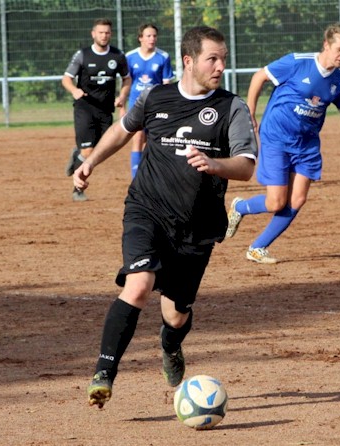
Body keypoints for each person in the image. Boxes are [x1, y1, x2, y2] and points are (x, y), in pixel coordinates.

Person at [73, 26, 257, 409]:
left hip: (198, 226)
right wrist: (90, 162)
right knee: (138, 285)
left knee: (175, 316)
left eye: (223, 59)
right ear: (189, 60)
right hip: (147, 209)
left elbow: (246, 166)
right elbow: (123, 130)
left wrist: (215, 164)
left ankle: (170, 345)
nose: (220, 67)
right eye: (212, 59)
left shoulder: (231, 107)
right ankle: (104, 373)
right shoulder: (156, 97)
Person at [224, 23, 340, 264]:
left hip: (307, 145)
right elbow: (259, 77)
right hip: (276, 137)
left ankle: (257, 248)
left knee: (297, 200)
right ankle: (240, 207)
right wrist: (250, 112)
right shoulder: (297, 62)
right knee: (276, 202)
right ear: (326, 45)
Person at [62, 18, 131, 201]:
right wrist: (74, 90)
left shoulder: (117, 56)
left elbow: (127, 79)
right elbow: (66, 79)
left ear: (111, 34)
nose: (104, 36)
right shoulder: (82, 55)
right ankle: (78, 190)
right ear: (93, 34)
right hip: (84, 107)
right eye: (100, 32)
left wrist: (122, 96)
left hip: (105, 110)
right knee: (88, 152)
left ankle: (77, 155)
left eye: (107, 32)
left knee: (97, 151)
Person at [123, 23, 174, 178]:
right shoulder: (130, 57)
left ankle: (154, 173)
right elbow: (126, 82)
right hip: (136, 103)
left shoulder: (163, 57)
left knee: (153, 140)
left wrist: (167, 105)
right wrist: (122, 105)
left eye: (154, 36)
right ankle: (136, 178)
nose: (152, 39)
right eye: (148, 36)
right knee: (138, 137)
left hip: (156, 104)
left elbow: (166, 84)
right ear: (140, 38)